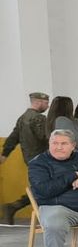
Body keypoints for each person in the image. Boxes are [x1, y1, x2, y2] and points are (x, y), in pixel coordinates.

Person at [2, 91, 51, 225]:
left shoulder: (22, 118)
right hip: (44, 159)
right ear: (38, 102)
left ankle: (13, 207)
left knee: (39, 187)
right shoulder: (40, 119)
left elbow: (13, 137)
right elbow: (46, 138)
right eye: (46, 103)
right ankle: (15, 207)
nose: (47, 106)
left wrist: (5, 154)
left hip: (30, 160)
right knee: (45, 188)